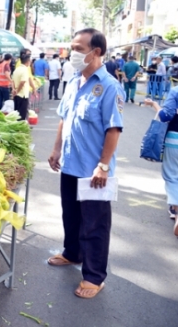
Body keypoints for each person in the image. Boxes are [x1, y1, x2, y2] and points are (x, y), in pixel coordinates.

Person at [47, 28, 125, 299]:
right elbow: (63, 119)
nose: (73, 53)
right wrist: (56, 150)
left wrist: (103, 165)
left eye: (79, 48)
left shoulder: (110, 87)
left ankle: (94, 276)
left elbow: (113, 129)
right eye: (72, 47)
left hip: (94, 171)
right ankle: (73, 253)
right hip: (69, 164)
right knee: (71, 216)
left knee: (95, 224)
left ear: (97, 52)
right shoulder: (72, 83)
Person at [143, 56, 178, 237]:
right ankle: (176, 210)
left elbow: (166, 116)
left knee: (172, 177)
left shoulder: (177, 91)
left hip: (176, 141)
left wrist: (154, 105)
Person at [12, 54, 32, 120]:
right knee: (22, 114)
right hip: (23, 95)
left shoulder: (17, 69)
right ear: (28, 61)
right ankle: (20, 128)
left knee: (17, 113)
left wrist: (14, 90)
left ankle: (17, 127)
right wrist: (17, 90)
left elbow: (13, 81)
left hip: (17, 95)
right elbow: (22, 82)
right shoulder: (25, 70)